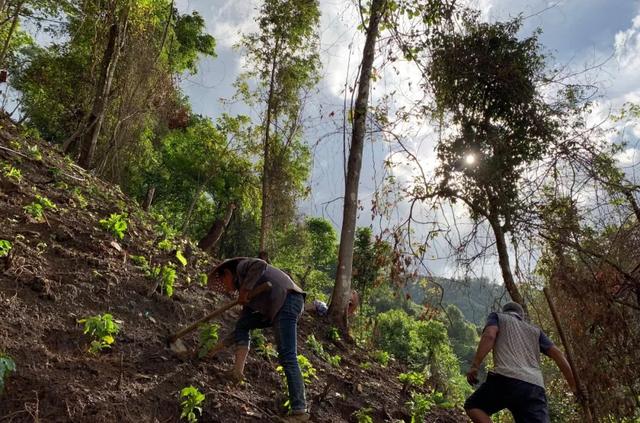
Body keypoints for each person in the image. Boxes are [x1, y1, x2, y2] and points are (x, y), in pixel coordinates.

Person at [207, 257, 308, 422]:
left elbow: (260, 264)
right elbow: (239, 329)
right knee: (243, 325)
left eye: (224, 283)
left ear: (227, 273)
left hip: (288, 300)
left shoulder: (242, 267)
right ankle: (237, 373)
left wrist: (244, 291)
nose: (226, 288)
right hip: (276, 307)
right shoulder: (247, 290)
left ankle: (299, 411)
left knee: (287, 355)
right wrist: (216, 348)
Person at [464, 302, 577, 423]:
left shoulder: (498, 317)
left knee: (473, 406)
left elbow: (490, 335)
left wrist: (475, 365)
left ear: (505, 312)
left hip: (504, 380)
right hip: (533, 387)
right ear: (521, 316)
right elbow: (558, 354)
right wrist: (574, 387)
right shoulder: (535, 331)